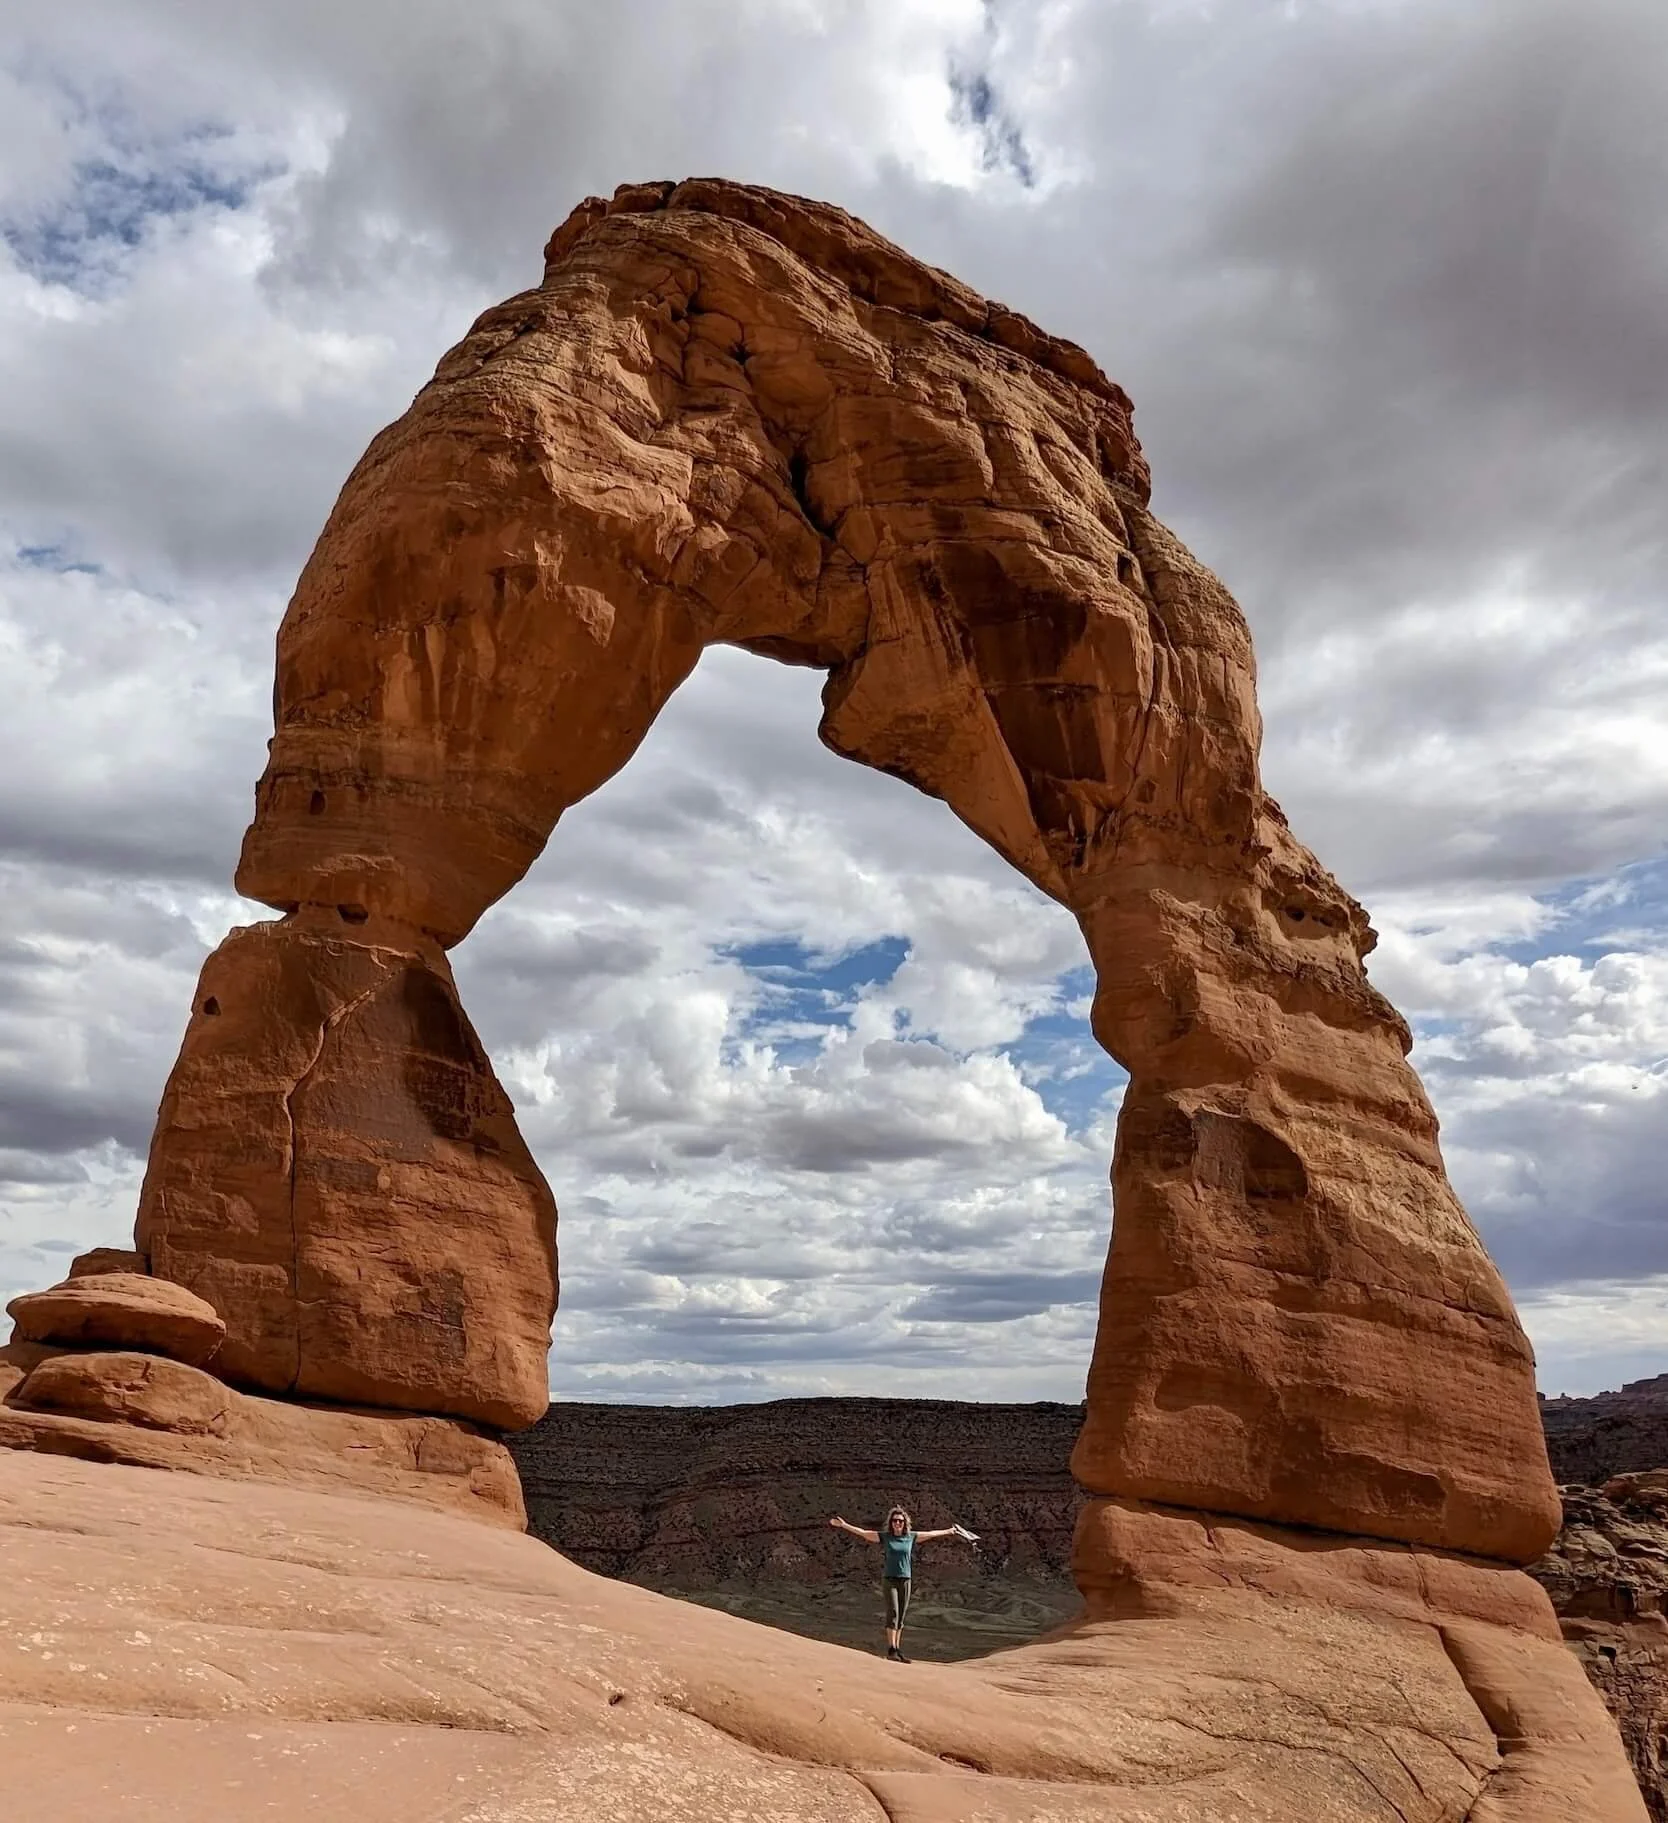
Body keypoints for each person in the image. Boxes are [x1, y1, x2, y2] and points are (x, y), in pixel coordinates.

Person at [829, 1505, 978, 1661]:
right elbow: (864, 1534)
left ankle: (898, 1649)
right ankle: (891, 1649)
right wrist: (844, 1525)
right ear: (891, 1523)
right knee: (893, 1612)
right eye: (894, 1521)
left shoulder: (911, 1537)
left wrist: (949, 1531)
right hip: (890, 1579)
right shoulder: (885, 1537)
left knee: (901, 1616)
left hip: (905, 1579)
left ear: (905, 1523)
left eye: (900, 1521)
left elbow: (931, 1534)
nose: (897, 1523)